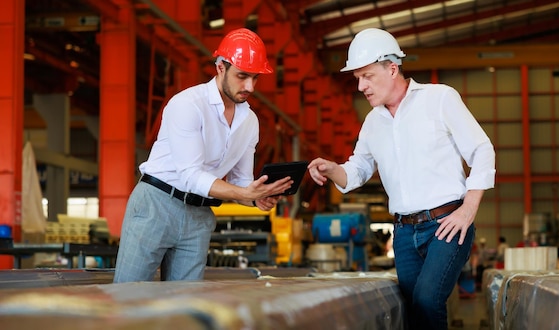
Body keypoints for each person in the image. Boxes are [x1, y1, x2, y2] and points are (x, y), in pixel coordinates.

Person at [307, 28, 495, 329]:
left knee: (427, 299)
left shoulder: (440, 98)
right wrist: (332, 169)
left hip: (446, 226)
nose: (360, 86)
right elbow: (357, 171)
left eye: (367, 76)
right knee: (412, 310)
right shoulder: (372, 122)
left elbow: (482, 150)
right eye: (357, 78)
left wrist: (468, 209)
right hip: (404, 235)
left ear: (392, 68)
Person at [114, 28, 293, 283]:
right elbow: (190, 176)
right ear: (220, 67)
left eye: (255, 78)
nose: (250, 87)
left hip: (199, 215)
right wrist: (243, 194)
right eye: (242, 76)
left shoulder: (250, 121)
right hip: (157, 205)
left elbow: (241, 180)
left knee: (187, 308)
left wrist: (256, 197)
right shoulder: (187, 104)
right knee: (127, 298)